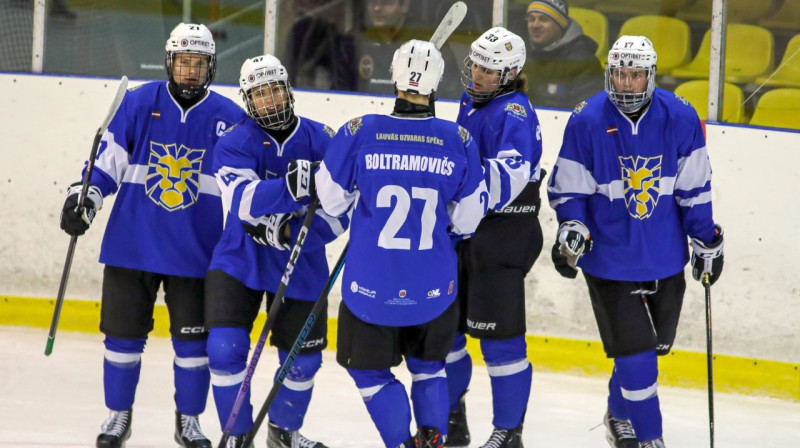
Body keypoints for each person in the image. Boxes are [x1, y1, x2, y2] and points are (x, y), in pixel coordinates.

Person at [58, 23, 246, 448]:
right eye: (183, 63)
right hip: (132, 247)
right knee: (122, 341)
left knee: (194, 350)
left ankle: (189, 422)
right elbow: (107, 162)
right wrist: (83, 198)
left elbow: (244, 183)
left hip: (197, 256)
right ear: (169, 62)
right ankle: (117, 416)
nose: (190, 72)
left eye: (199, 64)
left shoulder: (230, 118)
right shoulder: (140, 102)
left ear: (211, 67)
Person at [546, 36, 725, 448]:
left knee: (653, 348)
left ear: (651, 75)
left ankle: (617, 414)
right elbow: (569, 190)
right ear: (609, 74)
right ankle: (650, 439)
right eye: (620, 74)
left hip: (664, 257)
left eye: (636, 74)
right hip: (609, 260)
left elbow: (694, 189)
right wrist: (573, 225)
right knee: (637, 357)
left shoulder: (680, 117)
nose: (627, 83)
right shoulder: (587, 119)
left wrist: (705, 241)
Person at [313, 39, 488, 447]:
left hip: (371, 287)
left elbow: (332, 200)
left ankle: (401, 443)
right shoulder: (458, 139)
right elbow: (467, 220)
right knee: (429, 369)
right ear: (438, 81)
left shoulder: (360, 131)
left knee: (369, 372)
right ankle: (433, 440)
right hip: (434, 288)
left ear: (393, 76)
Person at [204, 54, 348, 448]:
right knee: (225, 349)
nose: (269, 101)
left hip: (301, 262)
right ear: (248, 100)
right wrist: (295, 186)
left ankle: (283, 431)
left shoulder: (323, 140)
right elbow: (243, 201)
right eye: (259, 94)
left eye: (274, 91)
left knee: (303, 362)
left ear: (287, 91)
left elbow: (341, 211)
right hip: (239, 260)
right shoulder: (234, 142)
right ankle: (236, 435)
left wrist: (291, 232)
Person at [439, 26, 544, 448]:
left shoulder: (515, 112)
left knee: (500, 342)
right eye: (476, 65)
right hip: (467, 231)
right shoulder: (472, 99)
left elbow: (510, 176)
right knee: (446, 332)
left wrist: (459, 193)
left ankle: (508, 432)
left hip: (503, 235)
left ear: (511, 72)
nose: (478, 74)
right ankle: (451, 415)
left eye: (489, 69)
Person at [333, 0, 462, 99]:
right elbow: (339, 90)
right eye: (373, 2)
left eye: (386, 3)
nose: (377, 8)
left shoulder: (428, 40)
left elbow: (450, 91)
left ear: (404, 5)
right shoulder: (354, 40)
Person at [521, 0, 603, 109]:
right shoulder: (521, 56)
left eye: (544, 19)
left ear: (561, 24)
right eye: (531, 19)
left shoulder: (584, 62)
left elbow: (587, 115)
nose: (535, 25)